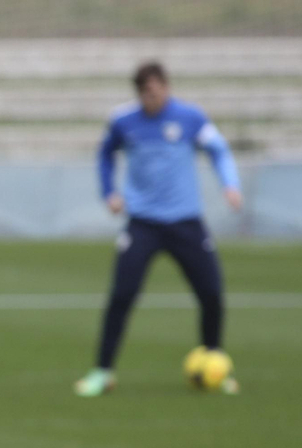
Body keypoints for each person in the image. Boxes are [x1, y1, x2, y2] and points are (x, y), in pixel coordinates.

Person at [76, 62, 242, 397]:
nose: (154, 96)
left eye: (159, 88)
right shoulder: (123, 121)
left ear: (167, 86)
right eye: (147, 91)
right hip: (143, 224)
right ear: (139, 93)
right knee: (121, 295)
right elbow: (105, 155)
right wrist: (109, 192)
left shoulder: (191, 117)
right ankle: (102, 372)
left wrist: (230, 184)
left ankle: (215, 366)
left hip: (186, 222)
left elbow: (218, 150)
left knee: (211, 293)